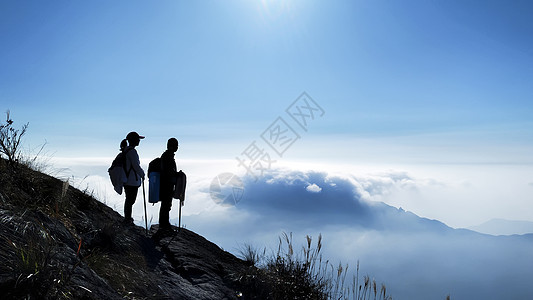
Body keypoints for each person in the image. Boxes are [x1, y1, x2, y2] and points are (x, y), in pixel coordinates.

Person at [123, 131, 146, 224]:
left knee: (129, 199)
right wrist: (142, 174)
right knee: (130, 200)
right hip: (132, 180)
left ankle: (127, 217)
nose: (139, 141)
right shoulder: (132, 152)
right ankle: (128, 218)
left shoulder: (125, 150)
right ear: (134, 140)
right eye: (138, 139)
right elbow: (136, 166)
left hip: (127, 178)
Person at [159, 137, 179, 229]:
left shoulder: (166, 156)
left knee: (166, 204)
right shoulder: (168, 157)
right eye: (176, 145)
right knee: (166, 204)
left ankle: (164, 223)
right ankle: (164, 224)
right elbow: (168, 172)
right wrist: (177, 175)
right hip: (167, 183)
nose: (177, 147)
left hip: (165, 183)